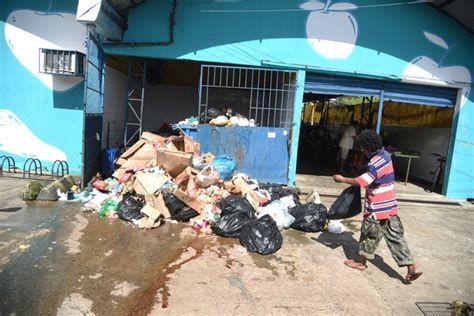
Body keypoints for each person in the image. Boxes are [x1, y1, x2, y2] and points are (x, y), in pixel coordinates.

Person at [333, 130, 422, 283]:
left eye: (362, 146)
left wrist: (342, 179)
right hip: (390, 206)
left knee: (368, 235)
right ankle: (412, 267)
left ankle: (360, 263)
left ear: (368, 145)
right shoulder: (386, 155)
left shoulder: (376, 161)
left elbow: (364, 181)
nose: (361, 149)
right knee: (396, 237)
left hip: (377, 206)